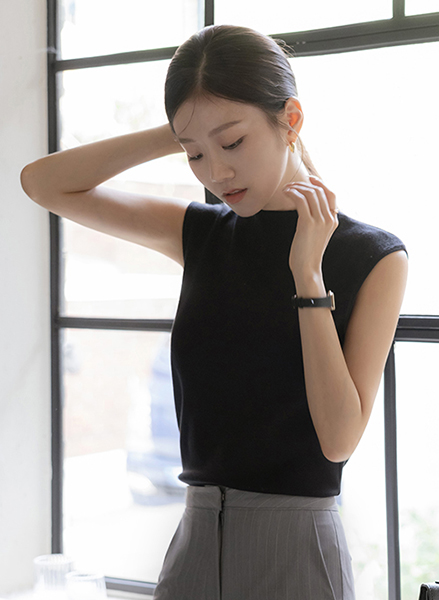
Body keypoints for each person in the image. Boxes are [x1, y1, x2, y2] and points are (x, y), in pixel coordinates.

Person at [21, 24, 408, 600]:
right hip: (195, 543)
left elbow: (337, 440)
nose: (216, 174)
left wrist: (308, 276)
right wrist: (184, 127)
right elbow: (42, 183)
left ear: (290, 119)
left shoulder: (373, 256)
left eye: (233, 142)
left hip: (297, 550)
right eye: (196, 154)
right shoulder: (199, 232)